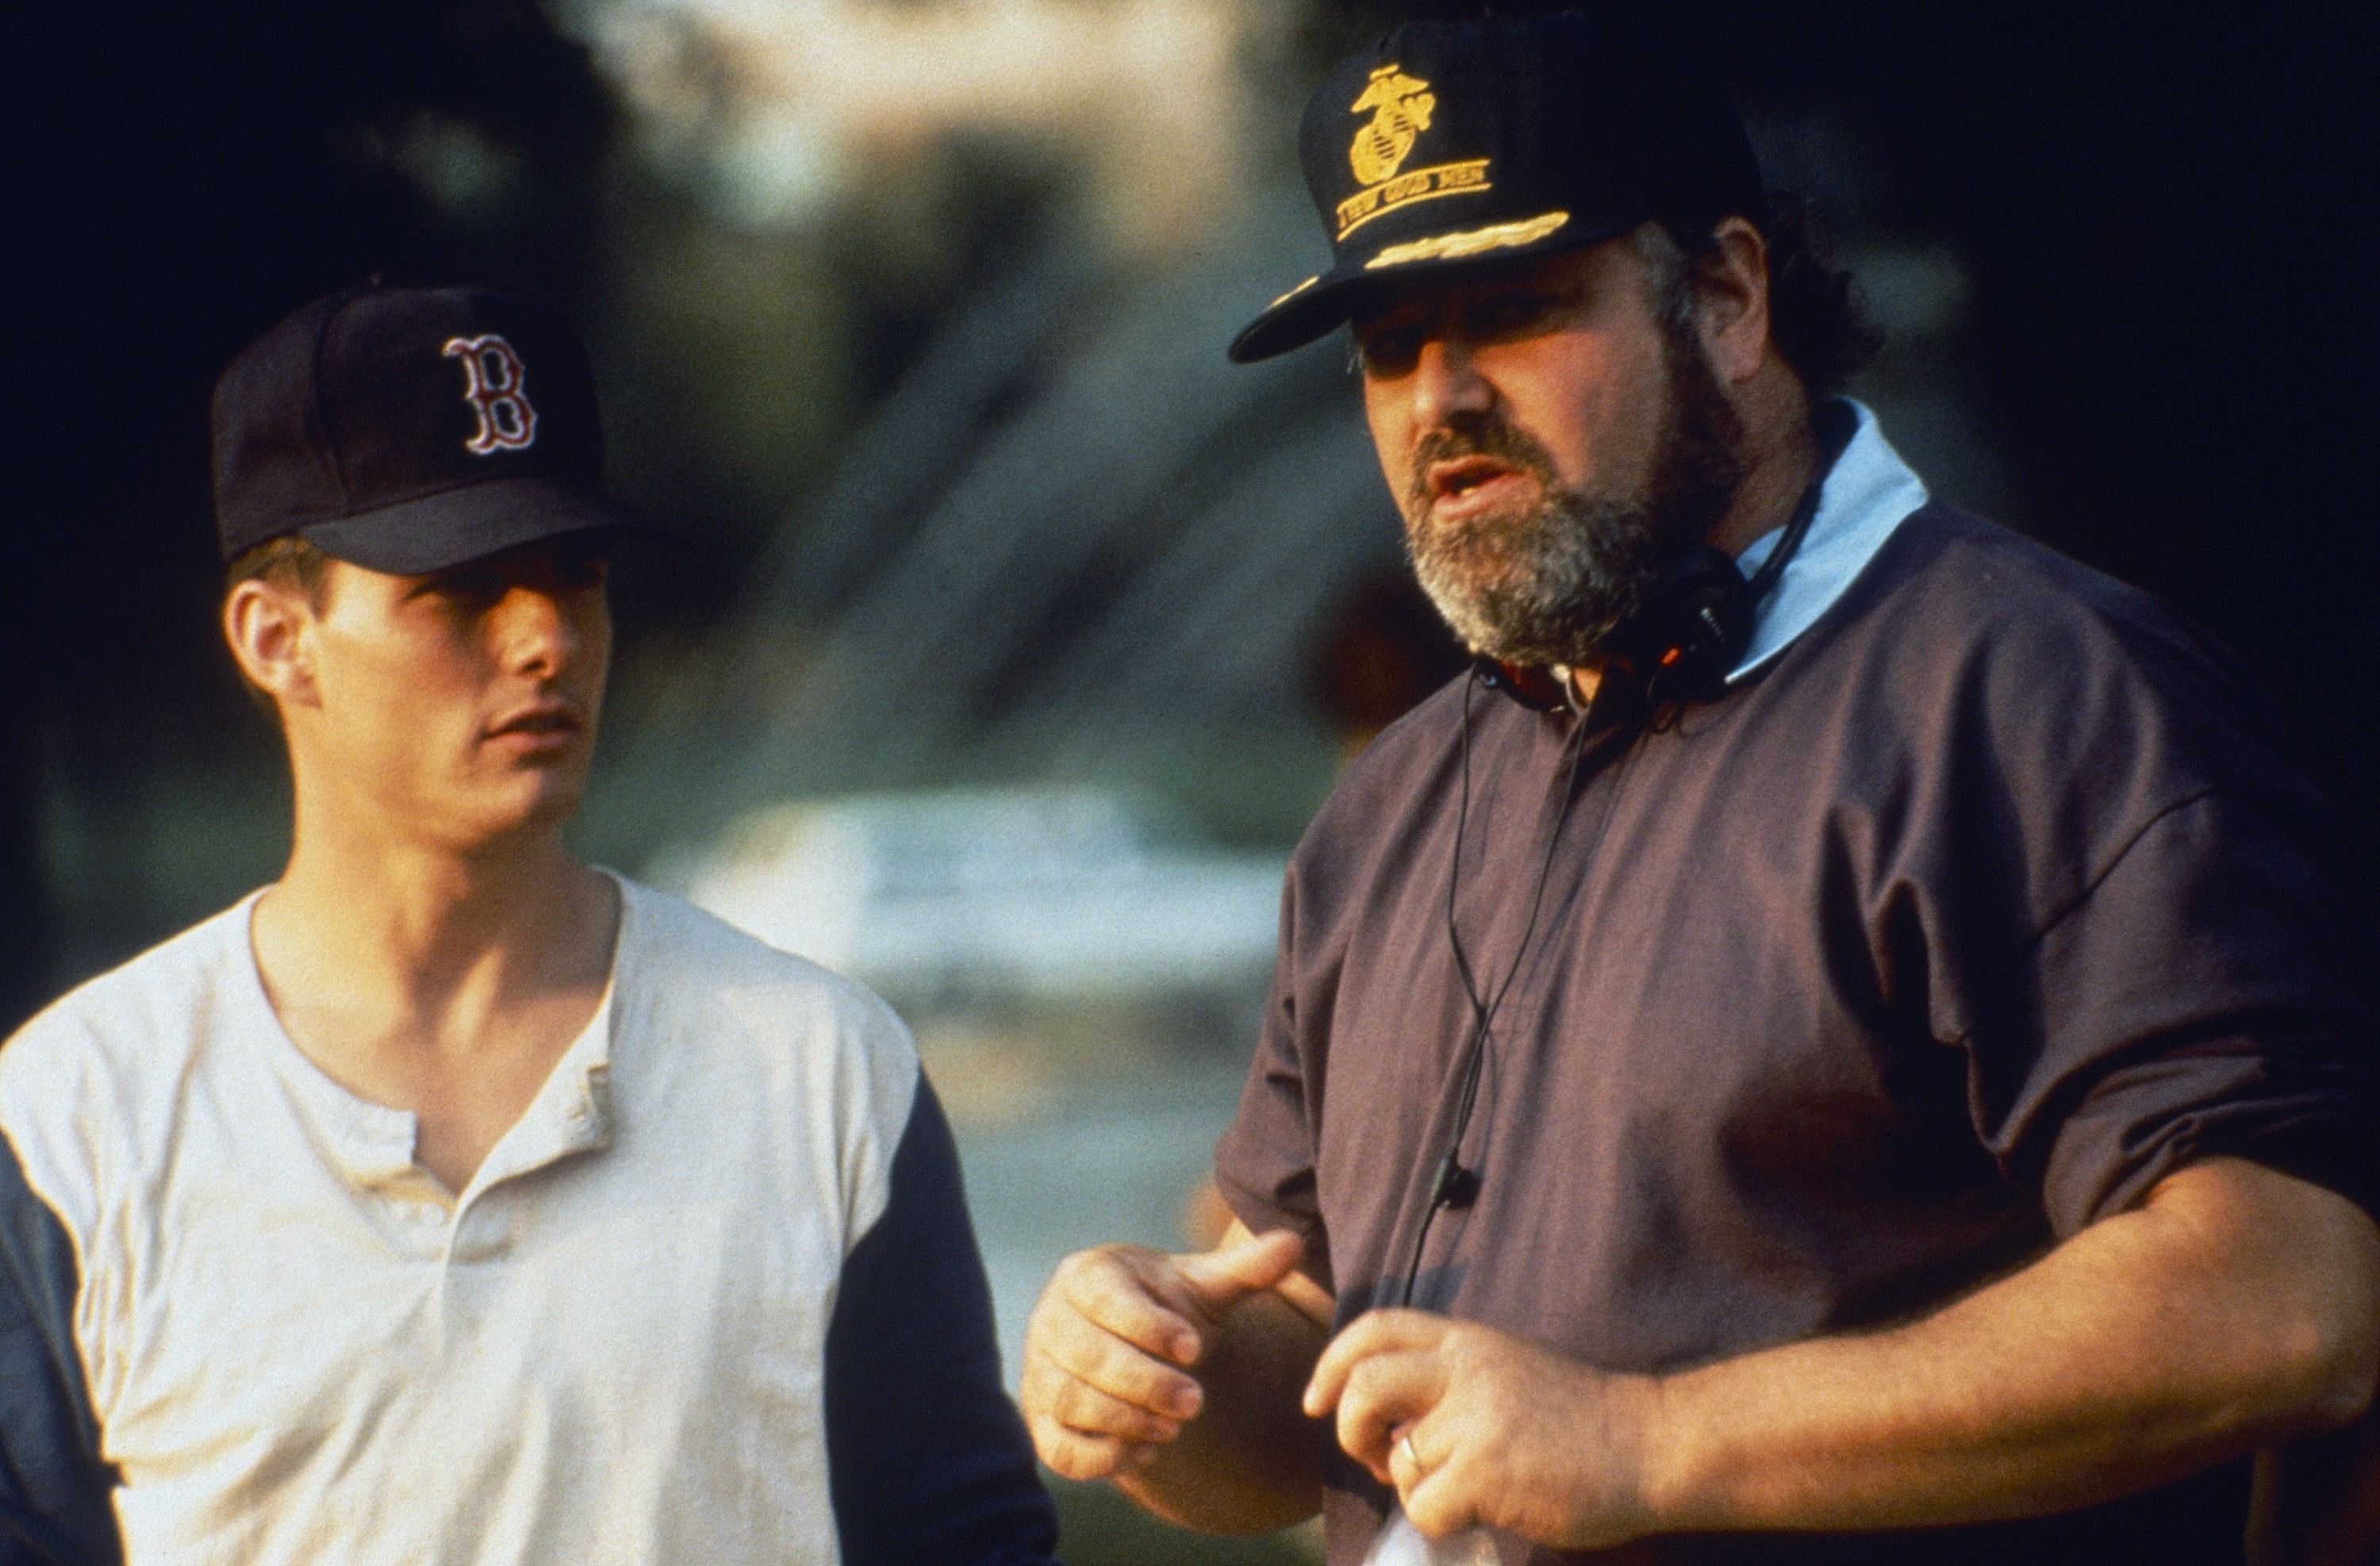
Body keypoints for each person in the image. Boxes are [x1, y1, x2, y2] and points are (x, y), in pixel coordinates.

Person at [1018, 12, 2380, 1565]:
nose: (1437, 398)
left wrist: (1654, 1442)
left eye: (1516, 307)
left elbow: (2291, 1293)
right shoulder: (1386, 808)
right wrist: (1160, 1374)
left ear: (1729, 297)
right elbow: (1294, 1397)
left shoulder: (2046, 699)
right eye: (1391, 346)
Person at [0, 283, 1058, 1564]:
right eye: (462, 591)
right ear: (279, 639)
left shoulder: (823, 1070)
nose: (548, 638)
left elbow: (965, 1540)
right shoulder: (73, 1118)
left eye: (581, 576)